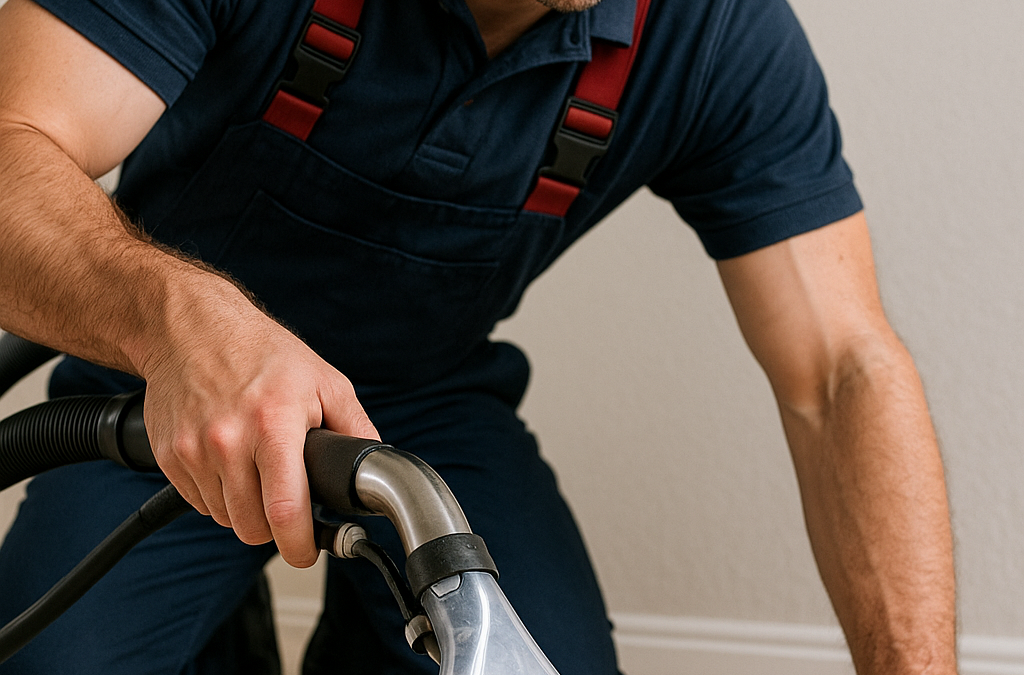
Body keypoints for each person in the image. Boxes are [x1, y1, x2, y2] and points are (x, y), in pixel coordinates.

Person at [0, 0, 957, 672]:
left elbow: (841, 372)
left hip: (427, 406)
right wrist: (183, 324)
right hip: (161, 394)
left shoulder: (711, 35)